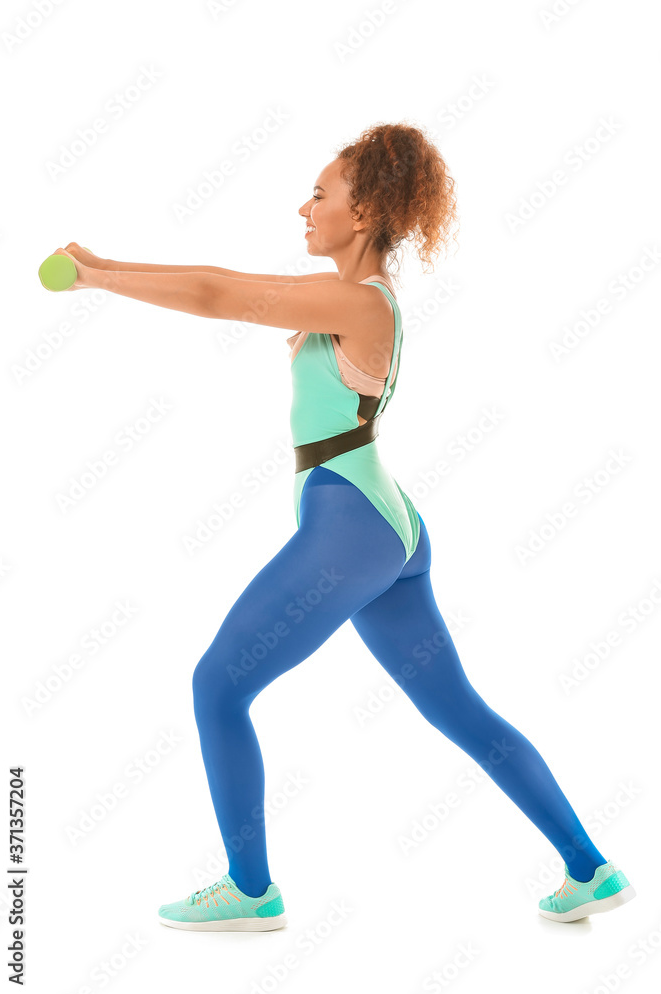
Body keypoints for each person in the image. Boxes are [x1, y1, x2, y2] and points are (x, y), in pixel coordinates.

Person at [53, 122, 635, 931]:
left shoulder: (356, 300)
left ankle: (251, 891)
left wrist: (96, 278)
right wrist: (102, 268)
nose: (303, 206)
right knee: (456, 709)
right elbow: (224, 287)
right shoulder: (355, 299)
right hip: (379, 522)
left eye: (320, 194)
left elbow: (221, 292)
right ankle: (589, 868)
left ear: (362, 212)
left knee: (217, 688)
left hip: (350, 524)